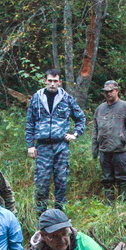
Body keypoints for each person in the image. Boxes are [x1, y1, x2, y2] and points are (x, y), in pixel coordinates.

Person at [25, 69, 86, 213]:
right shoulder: (37, 98)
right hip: (43, 147)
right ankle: (41, 216)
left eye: (55, 81)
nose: (52, 84)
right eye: (50, 81)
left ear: (59, 82)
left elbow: (80, 118)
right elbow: (30, 122)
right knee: (41, 183)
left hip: (61, 146)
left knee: (61, 182)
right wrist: (30, 145)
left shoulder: (67, 98)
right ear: (45, 81)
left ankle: (59, 215)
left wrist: (75, 134)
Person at [91, 80, 126, 203]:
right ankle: (109, 203)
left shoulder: (125, 106)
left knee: (122, 178)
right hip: (104, 149)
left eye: (110, 91)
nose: (108, 94)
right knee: (107, 178)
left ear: (117, 91)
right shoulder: (100, 109)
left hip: (120, 150)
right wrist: (94, 147)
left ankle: (123, 203)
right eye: (106, 92)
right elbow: (95, 129)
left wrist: (123, 137)